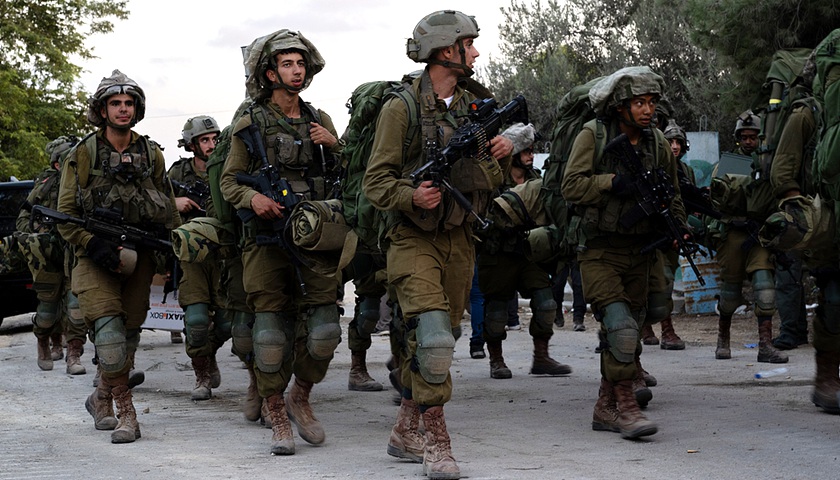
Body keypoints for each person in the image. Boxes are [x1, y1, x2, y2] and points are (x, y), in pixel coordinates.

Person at [363, 10, 513, 479]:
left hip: (460, 238)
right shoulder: (401, 107)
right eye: (470, 44)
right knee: (432, 340)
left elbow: (490, 179)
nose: (477, 52)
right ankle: (437, 442)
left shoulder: (475, 106)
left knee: (440, 339)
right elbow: (375, 182)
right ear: (447, 50)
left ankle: (405, 428)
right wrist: (411, 195)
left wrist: (498, 154)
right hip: (412, 238)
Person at [220, 29, 343, 456]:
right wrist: (253, 199)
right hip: (266, 239)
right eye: (287, 63)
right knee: (270, 335)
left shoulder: (319, 120)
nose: (296, 70)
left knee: (325, 330)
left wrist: (336, 146)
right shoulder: (251, 122)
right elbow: (229, 182)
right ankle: (275, 413)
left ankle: (300, 397)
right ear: (271, 73)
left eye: (300, 63)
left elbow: (352, 174)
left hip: (315, 239)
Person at [562, 66, 686, 440]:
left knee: (628, 330)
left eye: (651, 103)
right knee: (620, 326)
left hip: (640, 251)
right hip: (599, 249)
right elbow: (571, 186)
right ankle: (627, 408)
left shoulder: (658, 143)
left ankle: (606, 404)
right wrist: (612, 183)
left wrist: (677, 227)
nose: (647, 110)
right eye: (639, 103)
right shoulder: (593, 135)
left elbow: (672, 192)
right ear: (620, 106)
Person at [56, 70, 180, 443]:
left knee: (128, 334)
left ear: (136, 109)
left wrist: (174, 254)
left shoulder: (151, 153)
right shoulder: (84, 153)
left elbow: (168, 208)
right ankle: (128, 414)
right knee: (109, 334)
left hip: (140, 254)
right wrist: (91, 243)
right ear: (102, 110)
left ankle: (101, 398)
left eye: (128, 103)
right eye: (115, 103)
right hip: (94, 256)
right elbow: (65, 215)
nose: (123, 109)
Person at [477, 122, 572, 380]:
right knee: (497, 311)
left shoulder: (537, 180)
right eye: (526, 151)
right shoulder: (492, 179)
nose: (531, 155)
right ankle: (496, 360)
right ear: (514, 153)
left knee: (546, 303)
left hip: (529, 252)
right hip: (498, 254)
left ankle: (541, 357)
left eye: (532, 150)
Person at [708, 111, 788, 364]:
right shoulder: (730, 163)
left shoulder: (769, 163)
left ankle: (765, 345)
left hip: (760, 233)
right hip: (733, 232)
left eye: (753, 137)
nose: (749, 141)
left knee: (765, 290)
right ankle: (723, 339)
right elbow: (716, 198)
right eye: (744, 137)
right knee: (730, 294)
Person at [168, 115, 232, 400]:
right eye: (204, 140)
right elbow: (154, 204)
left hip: (225, 255)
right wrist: (174, 203)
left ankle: (208, 352)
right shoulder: (178, 173)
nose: (211, 144)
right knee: (195, 322)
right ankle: (202, 374)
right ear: (192, 145)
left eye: (215, 138)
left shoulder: (230, 166)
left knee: (230, 323)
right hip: (192, 259)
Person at [17, 136, 88, 374]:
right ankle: (43, 342)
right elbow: (23, 218)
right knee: (47, 311)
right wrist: (40, 233)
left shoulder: (84, 185)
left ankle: (74, 355)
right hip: (49, 256)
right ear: (58, 165)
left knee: (76, 308)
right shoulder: (46, 186)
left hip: (76, 252)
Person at [639, 119, 689, 350]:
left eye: (678, 142)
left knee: (666, 280)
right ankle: (652, 327)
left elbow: (680, 199)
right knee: (654, 281)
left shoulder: (685, 171)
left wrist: (682, 226)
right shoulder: (648, 164)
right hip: (650, 232)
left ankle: (661, 328)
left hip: (671, 232)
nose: (675, 146)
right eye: (670, 142)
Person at [553, 260, 586, 331]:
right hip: (561, 257)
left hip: (576, 257)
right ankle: (557, 312)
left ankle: (578, 319)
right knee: (557, 284)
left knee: (579, 285)